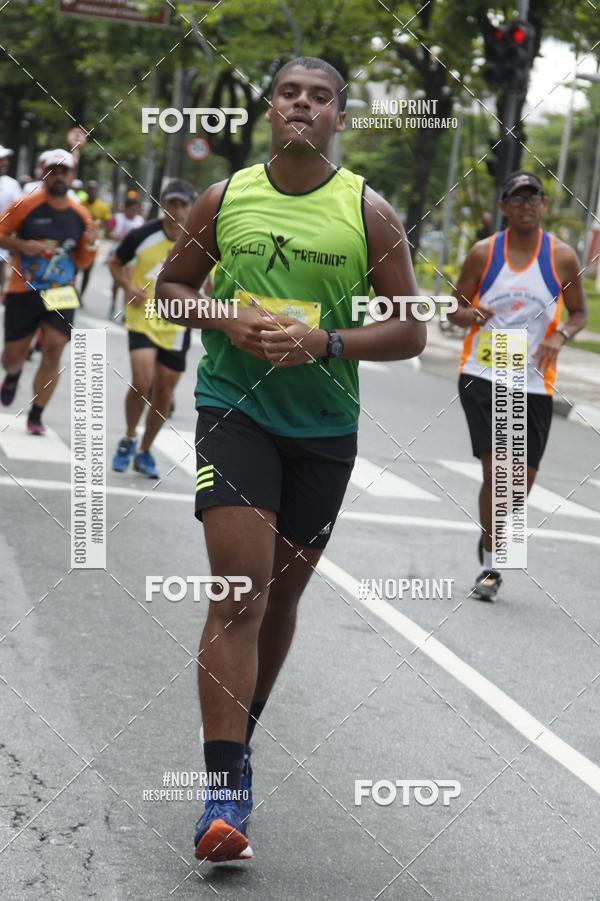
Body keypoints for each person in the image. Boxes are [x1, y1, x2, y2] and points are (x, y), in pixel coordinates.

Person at [155, 56, 426, 862]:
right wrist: (225, 322)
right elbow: (168, 291)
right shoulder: (225, 196)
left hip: (323, 428)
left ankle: (241, 738)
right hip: (234, 410)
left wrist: (329, 342)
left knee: (278, 600)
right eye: (289, 94)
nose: (302, 105)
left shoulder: (369, 213)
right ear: (269, 110)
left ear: (339, 117)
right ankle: (223, 787)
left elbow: (412, 328)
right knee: (239, 590)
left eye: (320, 97)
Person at [449, 171, 587, 601]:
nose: (527, 205)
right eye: (518, 198)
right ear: (504, 206)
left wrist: (559, 335)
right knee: (499, 471)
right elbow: (454, 307)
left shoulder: (562, 257)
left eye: (534, 198)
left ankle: (491, 537)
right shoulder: (483, 254)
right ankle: (492, 568)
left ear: (543, 206)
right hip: (484, 372)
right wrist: (470, 316)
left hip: (533, 379)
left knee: (519, 484)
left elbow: (579, 312)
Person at [0, 149, 97, 434]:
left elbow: (82, 259)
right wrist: (22, 246)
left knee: (54, 349)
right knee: (11, 355)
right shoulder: (24, 205)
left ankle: (36, 414)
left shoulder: (80, 214)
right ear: (44, 172)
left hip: (61, 292)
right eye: (53, 171)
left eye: (64, 171)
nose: (59, 176)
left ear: (72, 176)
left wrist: (91, 246)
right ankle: (13, 375)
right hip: (24, 289)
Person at [109, 179, 194, 478]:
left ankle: (144, 451)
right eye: (171, 203)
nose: (177, 210)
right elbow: (114, 262)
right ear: (162, 205)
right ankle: (129, 438)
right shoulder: (142, 234)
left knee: (164, 392)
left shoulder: (199, 241)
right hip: (142, 316)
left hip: (177, 326)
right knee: (142, 381)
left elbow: (211, 279)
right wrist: (127, 285)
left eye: (183, 204)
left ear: (191, 208)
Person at [107, 194, 145, 318]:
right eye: (131, 209)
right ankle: (113, 304)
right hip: (117, 254)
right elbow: (108, 233)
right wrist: (118, 237)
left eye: (135, 210)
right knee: (117, 283)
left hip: (132, 256)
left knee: (128, 281)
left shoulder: (140, 221)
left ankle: (124, 310)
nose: (133, 212)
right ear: (126, 209)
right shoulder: (117, 218)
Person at [80, 180, 111, 299]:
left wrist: (100, 226)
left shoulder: (102, 207)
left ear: (96, 192)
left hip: (93, 242)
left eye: (94, 190)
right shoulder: (81, 204)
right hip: (80, 239)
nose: (92, 192)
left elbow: (108, 222)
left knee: (87, 270)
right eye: (90, 189)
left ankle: (81, 296)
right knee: (76, 269)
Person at [0, 145, 22, 302]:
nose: (5, 163)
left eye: (6, 160)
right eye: (1, 160)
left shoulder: (12, 185)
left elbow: (20, 213)